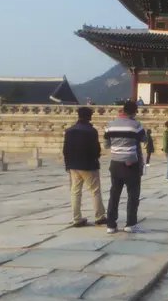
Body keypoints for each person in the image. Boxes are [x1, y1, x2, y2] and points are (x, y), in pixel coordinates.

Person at [103, 100, 147, 234]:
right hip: (131, 164)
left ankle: (111, 225)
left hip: (115, 163)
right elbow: (144, 140)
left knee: (114, 194)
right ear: (134, 112)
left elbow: (106, 145)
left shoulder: (110, 125)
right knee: (133, 195)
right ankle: (130, 224)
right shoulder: (136, 125)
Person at [63, 107, 107, 227]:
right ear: (89, 116)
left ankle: (76, 218)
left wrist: (68, 165)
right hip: (88, 165)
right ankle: (100, 216)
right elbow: (96, 150)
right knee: (94, 191)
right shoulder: (91, 131)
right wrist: (95, 158)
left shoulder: (69, 131)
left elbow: (65, 150)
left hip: (73, 165)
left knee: (75, 192)